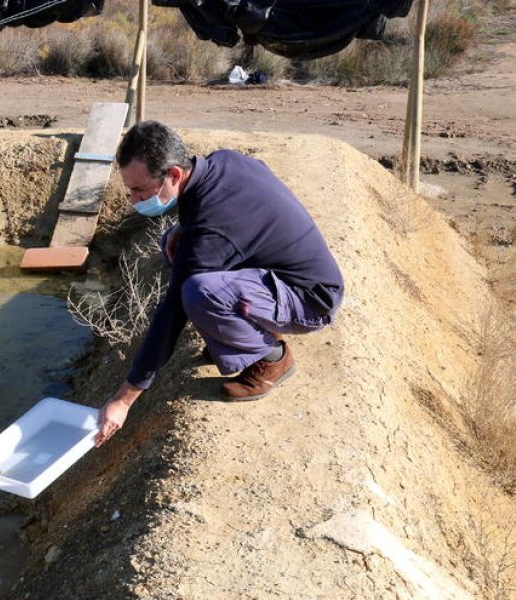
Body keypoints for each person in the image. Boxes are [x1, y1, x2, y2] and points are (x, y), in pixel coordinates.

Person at [95, 121, 344, 445]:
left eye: (140, 190)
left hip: (311, 299)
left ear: (173, 175)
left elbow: (171, 314)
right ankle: (237, 335)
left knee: (198, 293)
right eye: (130, 190)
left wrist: (124, 398)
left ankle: (271, 359)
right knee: (175, 240)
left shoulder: (213, 231)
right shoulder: (223, 162)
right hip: (280, 274)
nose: (133, 199)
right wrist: (184, 232)